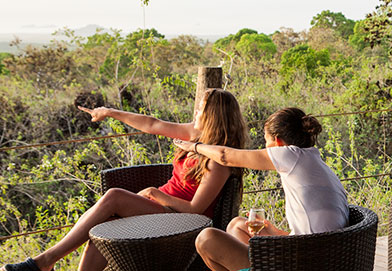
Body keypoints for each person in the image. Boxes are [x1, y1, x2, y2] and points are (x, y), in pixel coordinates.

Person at [3, 88, 247, 271]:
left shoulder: (218, 160)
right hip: (162, 210)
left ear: (214, 115)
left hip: (183, 221)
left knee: (114, 197)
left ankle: (43, 262)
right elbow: (152, 124)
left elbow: (197, 210)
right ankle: (45, 263)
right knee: (104, 225)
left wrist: (154, 192)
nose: (195, 112)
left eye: (200, 109)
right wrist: (109, 112)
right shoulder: (194, 135)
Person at [173, 107, 348, 271]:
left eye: (266, 141)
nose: (265, 148)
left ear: (278, 142)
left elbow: (225, 157)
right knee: (237, 225)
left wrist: (194, 146)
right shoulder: (314, 161)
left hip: (305, 262)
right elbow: (313, 231)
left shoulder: (289, 154)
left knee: (206, 239)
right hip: (320, 254)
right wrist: (275, 232)